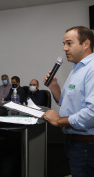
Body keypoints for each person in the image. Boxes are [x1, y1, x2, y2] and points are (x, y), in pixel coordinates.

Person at [43, 26, 94, 177]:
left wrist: (59, 121)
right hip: (74, 143)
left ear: (86, 44)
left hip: (86, 145)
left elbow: (92, 113)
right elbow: (65, 102)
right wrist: (54, 87)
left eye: (69, 43)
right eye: (64, 44)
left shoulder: (92, 69)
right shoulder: (76, 70)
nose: (65, 48)